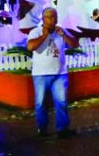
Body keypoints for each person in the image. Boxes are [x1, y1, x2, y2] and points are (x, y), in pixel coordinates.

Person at [26, 7, 79, 138]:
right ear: (43, 19)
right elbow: (30, 47)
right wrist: (44, 35)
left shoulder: (61, 31)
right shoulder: (35, 32)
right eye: (48, 17)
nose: (51, 19)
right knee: (40, 103)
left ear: (57, 18)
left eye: (53, 17)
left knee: (61, 102)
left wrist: (64, 35)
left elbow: (74, 44)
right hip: (41, 74)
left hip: (60, 73)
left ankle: (62, 129)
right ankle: (42, 129)